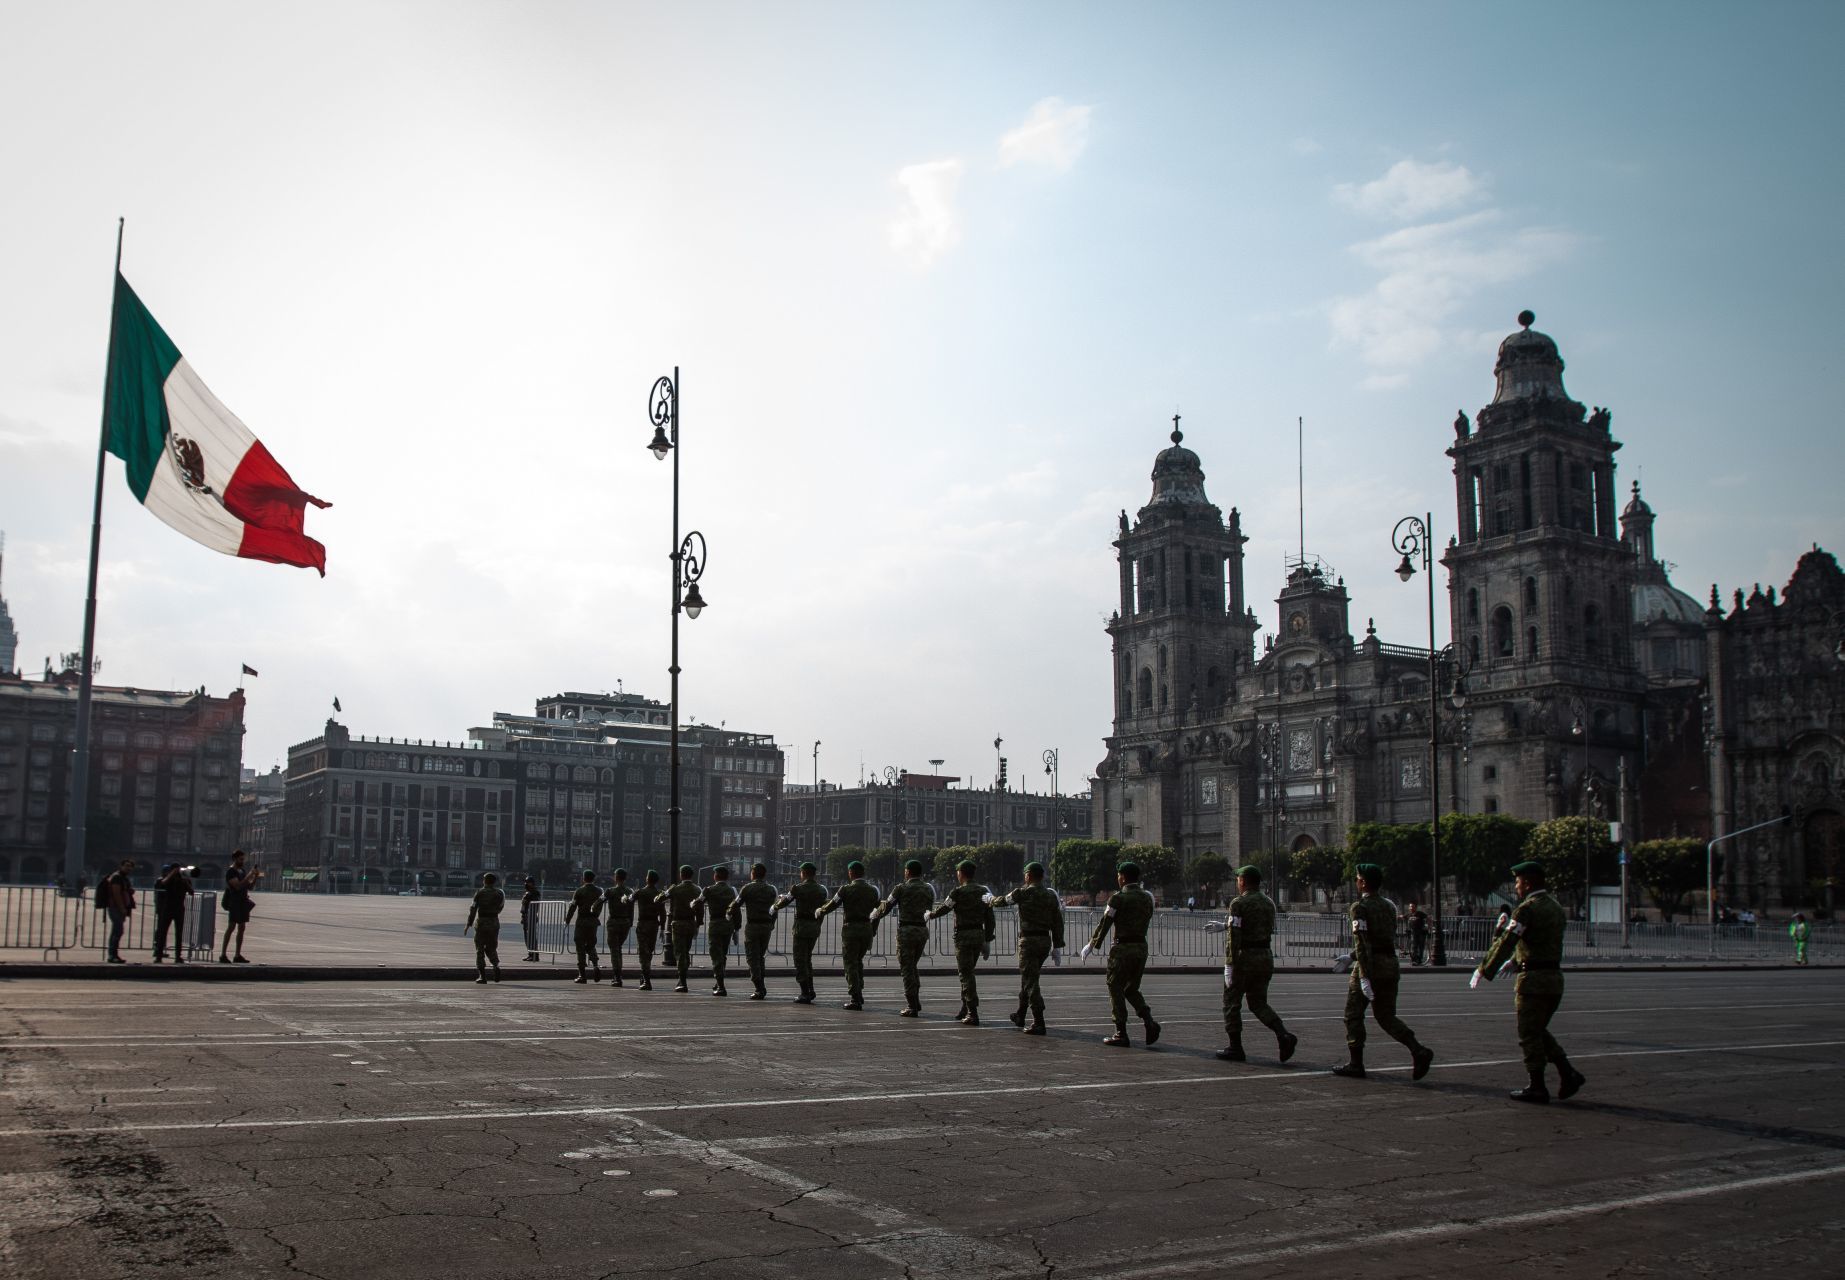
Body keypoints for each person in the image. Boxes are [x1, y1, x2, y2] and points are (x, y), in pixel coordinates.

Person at [1473, 859, 1586, 1104]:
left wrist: (1485, 968)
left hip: (1533, 981)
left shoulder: (1526, 909)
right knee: (1538, 1030)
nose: (1515, 887)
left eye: (1517, 882)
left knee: (1528, 1033)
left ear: (1527, 882)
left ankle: (1537, 1085)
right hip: (1554, 979)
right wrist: (1515, 961)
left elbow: (1508, 941)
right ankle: (1568, 1074)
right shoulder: (1555, 907)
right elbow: (1538, 941)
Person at [1334, 863, 1434, 1082]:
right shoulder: (1389, 906)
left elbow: (1363, 942)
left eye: (1358, 878)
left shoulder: (1359, 907)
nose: (1356, 881)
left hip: (1370, 966)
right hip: (1390, 965)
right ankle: (1418, 1050)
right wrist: (1350, 957)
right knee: (1386, 1016)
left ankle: (1356, 1063)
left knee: (1353, 1015)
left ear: (1363, 882)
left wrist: (1363, 975)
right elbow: (1380, 939)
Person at [1216, 864, 1297, 1064]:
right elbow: (1264, 927)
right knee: (1258, 1003)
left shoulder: (1238, 903)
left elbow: (1234, 936)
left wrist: (1229, 963)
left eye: (1238, 880)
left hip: (1245, 958)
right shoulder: (1269, 903)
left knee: (1231, 1003)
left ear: (1243, 881)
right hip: (1265, 956)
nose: (1237, 883)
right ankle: (1283, 1034)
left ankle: (1235, 1047)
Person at [1083, 862, 1160, 1048]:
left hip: (1123, 948)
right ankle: (1148, 1020)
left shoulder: (1118, 898)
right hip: (1141, 947)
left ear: (1123, 877)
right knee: (1131, 989)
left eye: (1118, 875)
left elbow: (1105, 923)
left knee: (1115, 986)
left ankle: (1121, 1032)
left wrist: (1092, 944)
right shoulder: (1147, 898)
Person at [993, 861, 1065, 1033]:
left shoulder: (1023, 892)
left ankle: (1039, 1021)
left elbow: (1003, 901)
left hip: (1029, 942)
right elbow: (1057, 922)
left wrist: (989, 900)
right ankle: (1020, 1014)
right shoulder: (1050, 896)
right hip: (1044, 942)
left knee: (1031, 981)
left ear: (1028, 875)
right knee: (1028, 978)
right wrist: (1057, 945)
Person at [927, 860, 996, 1025]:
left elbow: (945, 907)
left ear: (961, 873)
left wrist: (930, 915)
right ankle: (965, 1008)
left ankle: (972, 1011)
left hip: (964, 936)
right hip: (978, 934)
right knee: (968, 972)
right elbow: (990, 918)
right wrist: (987, 938)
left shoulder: (957, 892)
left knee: (965, 974)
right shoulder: (983, 891)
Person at [870, 859, 934, 1017]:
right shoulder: (928, 889)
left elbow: (887, 906)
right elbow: (929, 908)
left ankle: (911, 1005)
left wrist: (874, 916)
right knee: (913, 966)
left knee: (907, 969)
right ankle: (916, 1001)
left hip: (907, 931)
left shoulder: (901, 888)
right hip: (922, 930)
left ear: (907, 871)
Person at [816, 860, 881, 1010]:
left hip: (851, 929)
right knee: (858, 961)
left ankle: (855, 997)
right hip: (866, 929)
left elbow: (833, 904)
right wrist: (873, 930)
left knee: (850, 963)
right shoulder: (873, 891)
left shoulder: (845, 889)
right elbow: (878, 912)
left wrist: (821, 910)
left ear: (851, 872)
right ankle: (859, 991)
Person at [772, 862, 827, 1003]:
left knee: (800, 960)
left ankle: (805, 993)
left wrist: (775, 906)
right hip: (814, 927)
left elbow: (785, 901)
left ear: (803, 873)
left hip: (801, 927)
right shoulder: (822, 890)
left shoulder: (798, 888)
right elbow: (822, 910)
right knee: (807, 959)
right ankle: (811, 989)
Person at [730, 862, 779, 999]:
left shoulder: (747, 888)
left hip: (753, 926)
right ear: (764, 874)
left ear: (753, 874)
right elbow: (775, 909)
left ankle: (759, 987)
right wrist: (771, 924)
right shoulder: (772, 889)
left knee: (752, 957)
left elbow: (736, 904)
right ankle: (761, 984)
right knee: (760, 956)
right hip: (766, 926)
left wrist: (730, 915)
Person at [665, 865, 705, 993]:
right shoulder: (697, 890)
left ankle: (682, 981)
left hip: (678, 923)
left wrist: (668, 890)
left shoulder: (676, 889)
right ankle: (683, 976)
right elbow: (700, 909)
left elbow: (660, 899)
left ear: (681, 875)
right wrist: (698, 924)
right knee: (685, 951)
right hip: (690, 924)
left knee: (680, 953)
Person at [701, 865, 739, 996]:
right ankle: (719, 981)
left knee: (716, 956)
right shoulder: (732, 891)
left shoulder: (709, 890)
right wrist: (737, 929)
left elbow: (697, 904)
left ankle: (721, 986)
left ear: (715, 876)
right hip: (728, 925)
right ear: (727, 877)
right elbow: (736, 910)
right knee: (722, 955)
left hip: (715, 925)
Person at [218, 848, 261, 963]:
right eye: (240, 859)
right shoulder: (231, 871)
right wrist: (250, 874)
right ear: (235, 859)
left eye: (243, 859)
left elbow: (249, 887)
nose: (242, 861)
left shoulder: (242, 871)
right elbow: (238, 886)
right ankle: (223, 954)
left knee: (242, 927)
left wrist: (255, 876)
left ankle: (237, 955)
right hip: (235, 902)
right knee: (231, 927)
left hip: (243, 902)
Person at [564, 870, 604, 984]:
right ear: (594, 879)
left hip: (582, 921)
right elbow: (600, 905)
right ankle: (595, 965)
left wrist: (567, 920)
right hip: (593, 921)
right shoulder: (599, 891)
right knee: (591, 945)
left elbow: (573, 907)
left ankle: (582, 975)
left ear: (583, 879)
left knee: (580, 946)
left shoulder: (579, 891)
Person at [465, 872, 506, 984]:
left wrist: (469, 923)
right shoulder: (499, 893)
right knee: (491, 947)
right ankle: (495, 965)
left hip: (482, 922)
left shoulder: (480, 893)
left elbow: (473, 908)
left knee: (480, 948)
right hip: (494, 922)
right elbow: (501, 907)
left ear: (484, 881)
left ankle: (482, 976)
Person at [630, 870, 666, 990]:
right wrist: (662, 928)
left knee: (643, 952)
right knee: (649, 951)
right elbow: (663, 913)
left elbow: (628, 901)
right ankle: (645, 974)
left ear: (647, 879)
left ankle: (646, 978)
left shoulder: (640, 892)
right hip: (654, 925)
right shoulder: (659, 893)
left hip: (643, 924)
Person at [151, 862, 194, 964]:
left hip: (179, 908)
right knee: (162, 932)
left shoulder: (184, 880)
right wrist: (171, 874)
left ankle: (178, 956)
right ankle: (159, 956)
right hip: (167, 908)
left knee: (179, 934)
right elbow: (163, 883)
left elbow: (191, 892)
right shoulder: (167, 879)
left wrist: (184, 880)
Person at [102, 859, 136, 964]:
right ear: (121, 866)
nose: (128, 868)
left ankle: (113, 955)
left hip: (118, 908)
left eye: (130, 866)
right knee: (117, 931)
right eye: (126, 866)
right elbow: (116, 893)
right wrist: (122, 908)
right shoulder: (117, 877)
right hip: (115, 908)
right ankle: (112, 955)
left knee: (117, 931)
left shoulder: (123, 878)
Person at [604, 868, 635, 986]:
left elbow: (599, 901)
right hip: (625, 923)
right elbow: (631, 908)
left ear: (616, 877)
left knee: (614, 950)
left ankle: (617, 976)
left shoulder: (610, 891)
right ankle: (618, 974)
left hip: (613, 922)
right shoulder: (630, 891)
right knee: (618, 949)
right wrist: (630, 921)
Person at [519, 876, 542, 962]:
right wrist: (522, 916)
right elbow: (524, 906)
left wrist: (529, 915)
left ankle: (534, 955)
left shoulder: (534, 893)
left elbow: (534, 906)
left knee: (531, 936)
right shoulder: (528, 893)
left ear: (532, 883)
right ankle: (531, 954)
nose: (526, 884)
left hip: (530, 916)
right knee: (527, 937)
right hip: (526, 916)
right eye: (525, 882)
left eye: (528, 882)